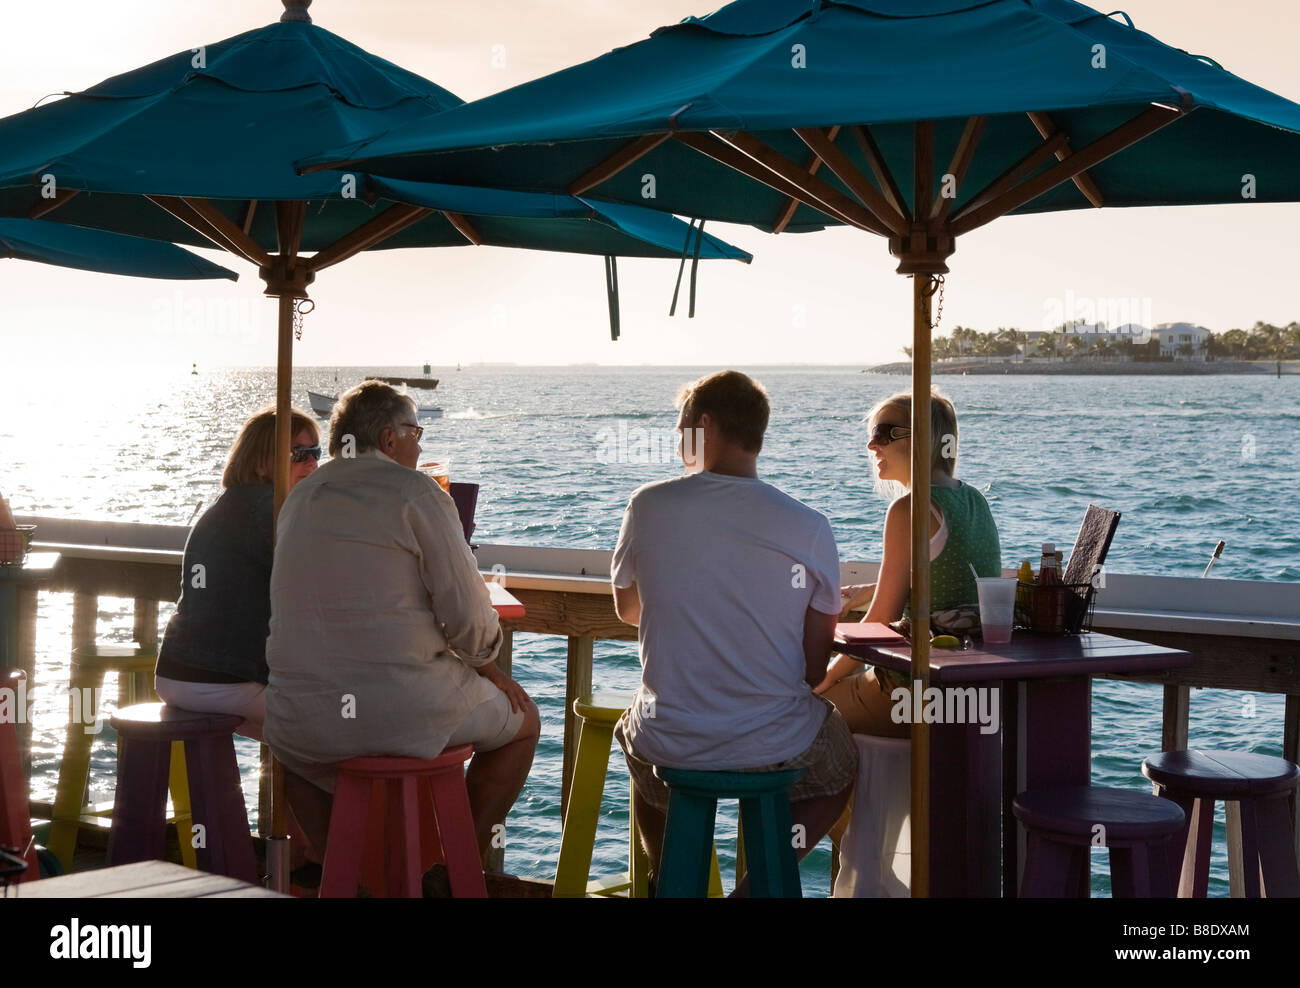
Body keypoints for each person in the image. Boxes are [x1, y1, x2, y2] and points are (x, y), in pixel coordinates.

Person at [263, 380, 539, 866]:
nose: (421, 442)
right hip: (399, 712)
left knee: (294, 756)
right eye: (416, 431)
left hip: (302, 717)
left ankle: (348, 878)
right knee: (524, 724)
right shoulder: (417, 492)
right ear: (390, 439)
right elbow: (469, 619)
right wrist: (489, 667)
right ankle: (453, 871)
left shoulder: (300, 499)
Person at [611, 370, 856, 895]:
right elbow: (814, 671)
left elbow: (628, 610)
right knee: (841, 768)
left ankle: (669, 875)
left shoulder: (649, 505)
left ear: (705, 425)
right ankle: (757, 885)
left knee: (634, 734)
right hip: (774, 742)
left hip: (671, 738)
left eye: (680, 429)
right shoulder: (809, 524)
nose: (678, 442)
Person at [816, 390, 1002, 736]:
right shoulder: (974, 499)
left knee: (797, 713)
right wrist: (871, 590)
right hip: (974, 693)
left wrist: (820, 679)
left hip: (916, 695)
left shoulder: (910, 509)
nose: (873, 446)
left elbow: (880, 622)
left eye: (884, 433)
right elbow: (948, 580)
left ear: (921, 440)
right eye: (871, 435)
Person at [154, 406, 321, 740]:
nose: (312, 463)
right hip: (221, 679)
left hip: (180, 673)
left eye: (315, 453)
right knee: (350, 722)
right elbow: (318, 581)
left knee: (311, 734)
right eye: (298, 454)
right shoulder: (268, 510)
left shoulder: (232, 504)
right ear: (261, 462)